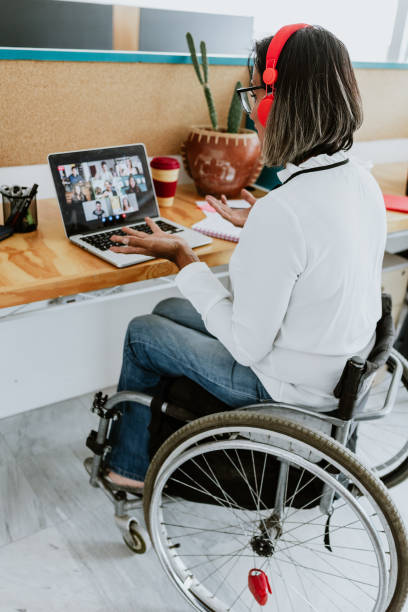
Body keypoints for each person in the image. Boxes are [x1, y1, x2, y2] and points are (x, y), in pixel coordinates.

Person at [104, 24, 386, 492]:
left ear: (277, 104)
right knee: (169, 311)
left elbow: (247, 347)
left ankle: (130, 469)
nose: (250, 105)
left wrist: (183, 258)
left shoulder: (286, 211)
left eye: (254, 92)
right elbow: (316, 255)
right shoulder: (360, 182)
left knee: (143, 333)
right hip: (331, 368)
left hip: (285, 390)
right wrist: (260, 227)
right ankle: (159, 436)